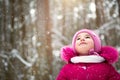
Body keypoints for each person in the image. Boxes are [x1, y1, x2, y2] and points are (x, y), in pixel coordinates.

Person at [56, 29, 120, 80]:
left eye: (87, 37)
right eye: (78, 38)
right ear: (74, 47)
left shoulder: (107, 68)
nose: (82, 39)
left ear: (96, 45)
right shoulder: (67, 69)